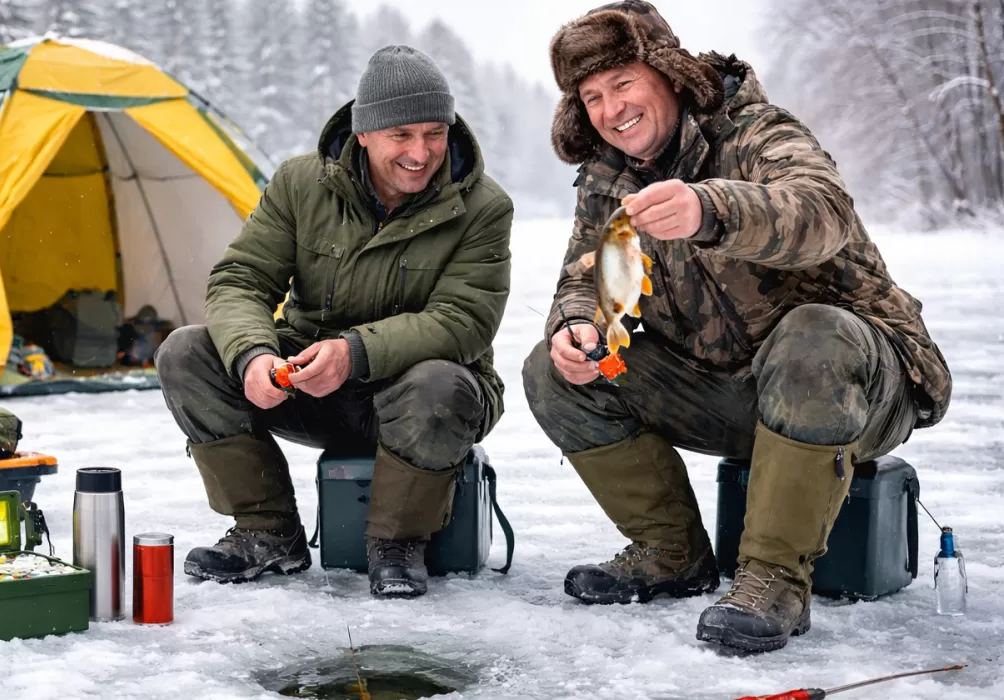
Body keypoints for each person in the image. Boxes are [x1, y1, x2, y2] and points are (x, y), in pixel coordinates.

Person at [523, 0, 951, 652]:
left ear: (666, 74)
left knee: (815, 334)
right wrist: (577, 325)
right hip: (727, 390)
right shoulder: (608, 179)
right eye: (592, 96)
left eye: (623, 84)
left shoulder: (757, 132)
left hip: (855, 383)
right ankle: (671, 554)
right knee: (554, 372)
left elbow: (821, 210)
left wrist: (710, 207)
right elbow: (585, 274)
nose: (611, 110)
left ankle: (774, 582)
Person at [155, 45, 513, 598]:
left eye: (434, 133)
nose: (422, 153)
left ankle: (397, 544)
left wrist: (354, 353)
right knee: (186, 353)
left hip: (424, 399)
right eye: (402, 135)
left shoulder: (484, 206)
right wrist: (254, 355)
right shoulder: (301, 183)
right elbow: (240, 281)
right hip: (309, 386)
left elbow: (463, 320)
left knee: (437, 382)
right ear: (363, 132)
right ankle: (267, 532)